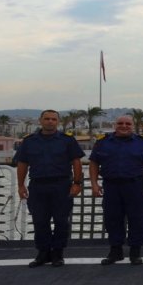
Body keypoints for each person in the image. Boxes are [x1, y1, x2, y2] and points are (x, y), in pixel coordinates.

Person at [15, 110, 85, 268]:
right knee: (40, 221)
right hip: (38, 185)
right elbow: (22, 164)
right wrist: (20, 185)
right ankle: (43, 253)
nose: (50, 121)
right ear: (40, 121)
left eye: (53, 119)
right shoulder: (29, 142)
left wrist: (77, 183)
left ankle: (58, 253)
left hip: (61, 185)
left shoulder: (67, 140)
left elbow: (76, 162)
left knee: (61, 221)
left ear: (58, 122)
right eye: (47, 119)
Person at [89, 115, 143, 266]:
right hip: (111, 186)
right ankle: (115, 252)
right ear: (115, 125)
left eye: (128, 123)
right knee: (112, 219)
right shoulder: (102, 142)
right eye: (120, 123)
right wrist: (94, 184)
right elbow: (94, 163)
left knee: (137, 219)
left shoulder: (142, 142)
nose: (124, 126)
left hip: (136, 186)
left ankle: (135, 252)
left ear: (133, 125)